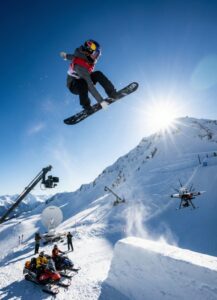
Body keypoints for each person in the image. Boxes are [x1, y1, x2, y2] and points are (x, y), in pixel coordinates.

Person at [60, 39, 118, 112]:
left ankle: (112, 92)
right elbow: (90, 86)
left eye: (98, 55)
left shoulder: (85, 59)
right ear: (88, 51)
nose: (96, 57)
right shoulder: (80, 66)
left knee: (98, 74)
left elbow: (72, 56)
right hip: (74, 85)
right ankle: (86, 106)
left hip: (84, 79)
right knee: (82, 83)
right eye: (95, 54)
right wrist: (101, 102)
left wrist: (65, 56)